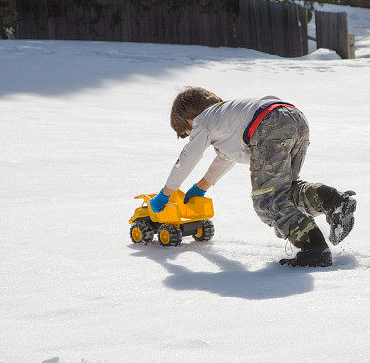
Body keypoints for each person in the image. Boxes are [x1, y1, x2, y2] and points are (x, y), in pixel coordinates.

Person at [149, 87, 356, 267]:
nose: (191, 135)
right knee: (284, 191)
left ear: (189, 121)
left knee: (267, 200)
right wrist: (202, 187)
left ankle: (314, 248)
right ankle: (333, 201)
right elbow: (226, 156)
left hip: (268, 125)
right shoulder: (227, 115)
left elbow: (188, 158)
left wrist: (166, 193)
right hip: (295, 117)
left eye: (187, 132)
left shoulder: (203, 121)